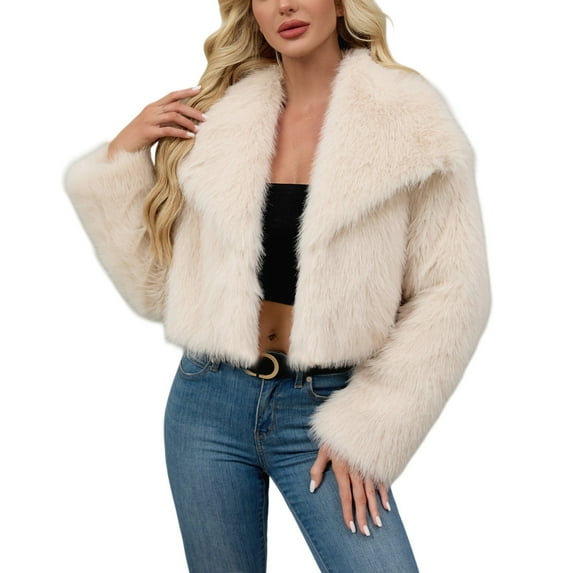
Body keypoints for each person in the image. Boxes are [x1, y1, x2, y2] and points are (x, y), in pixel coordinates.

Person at [64, 0, 491, 571]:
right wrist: (123, 153)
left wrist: (371, 427)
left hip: (327, 410)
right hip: (207, 403)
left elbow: (454, 294)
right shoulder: (217, 122)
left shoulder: (409, 121)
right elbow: (155, 288)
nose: (284, 4)